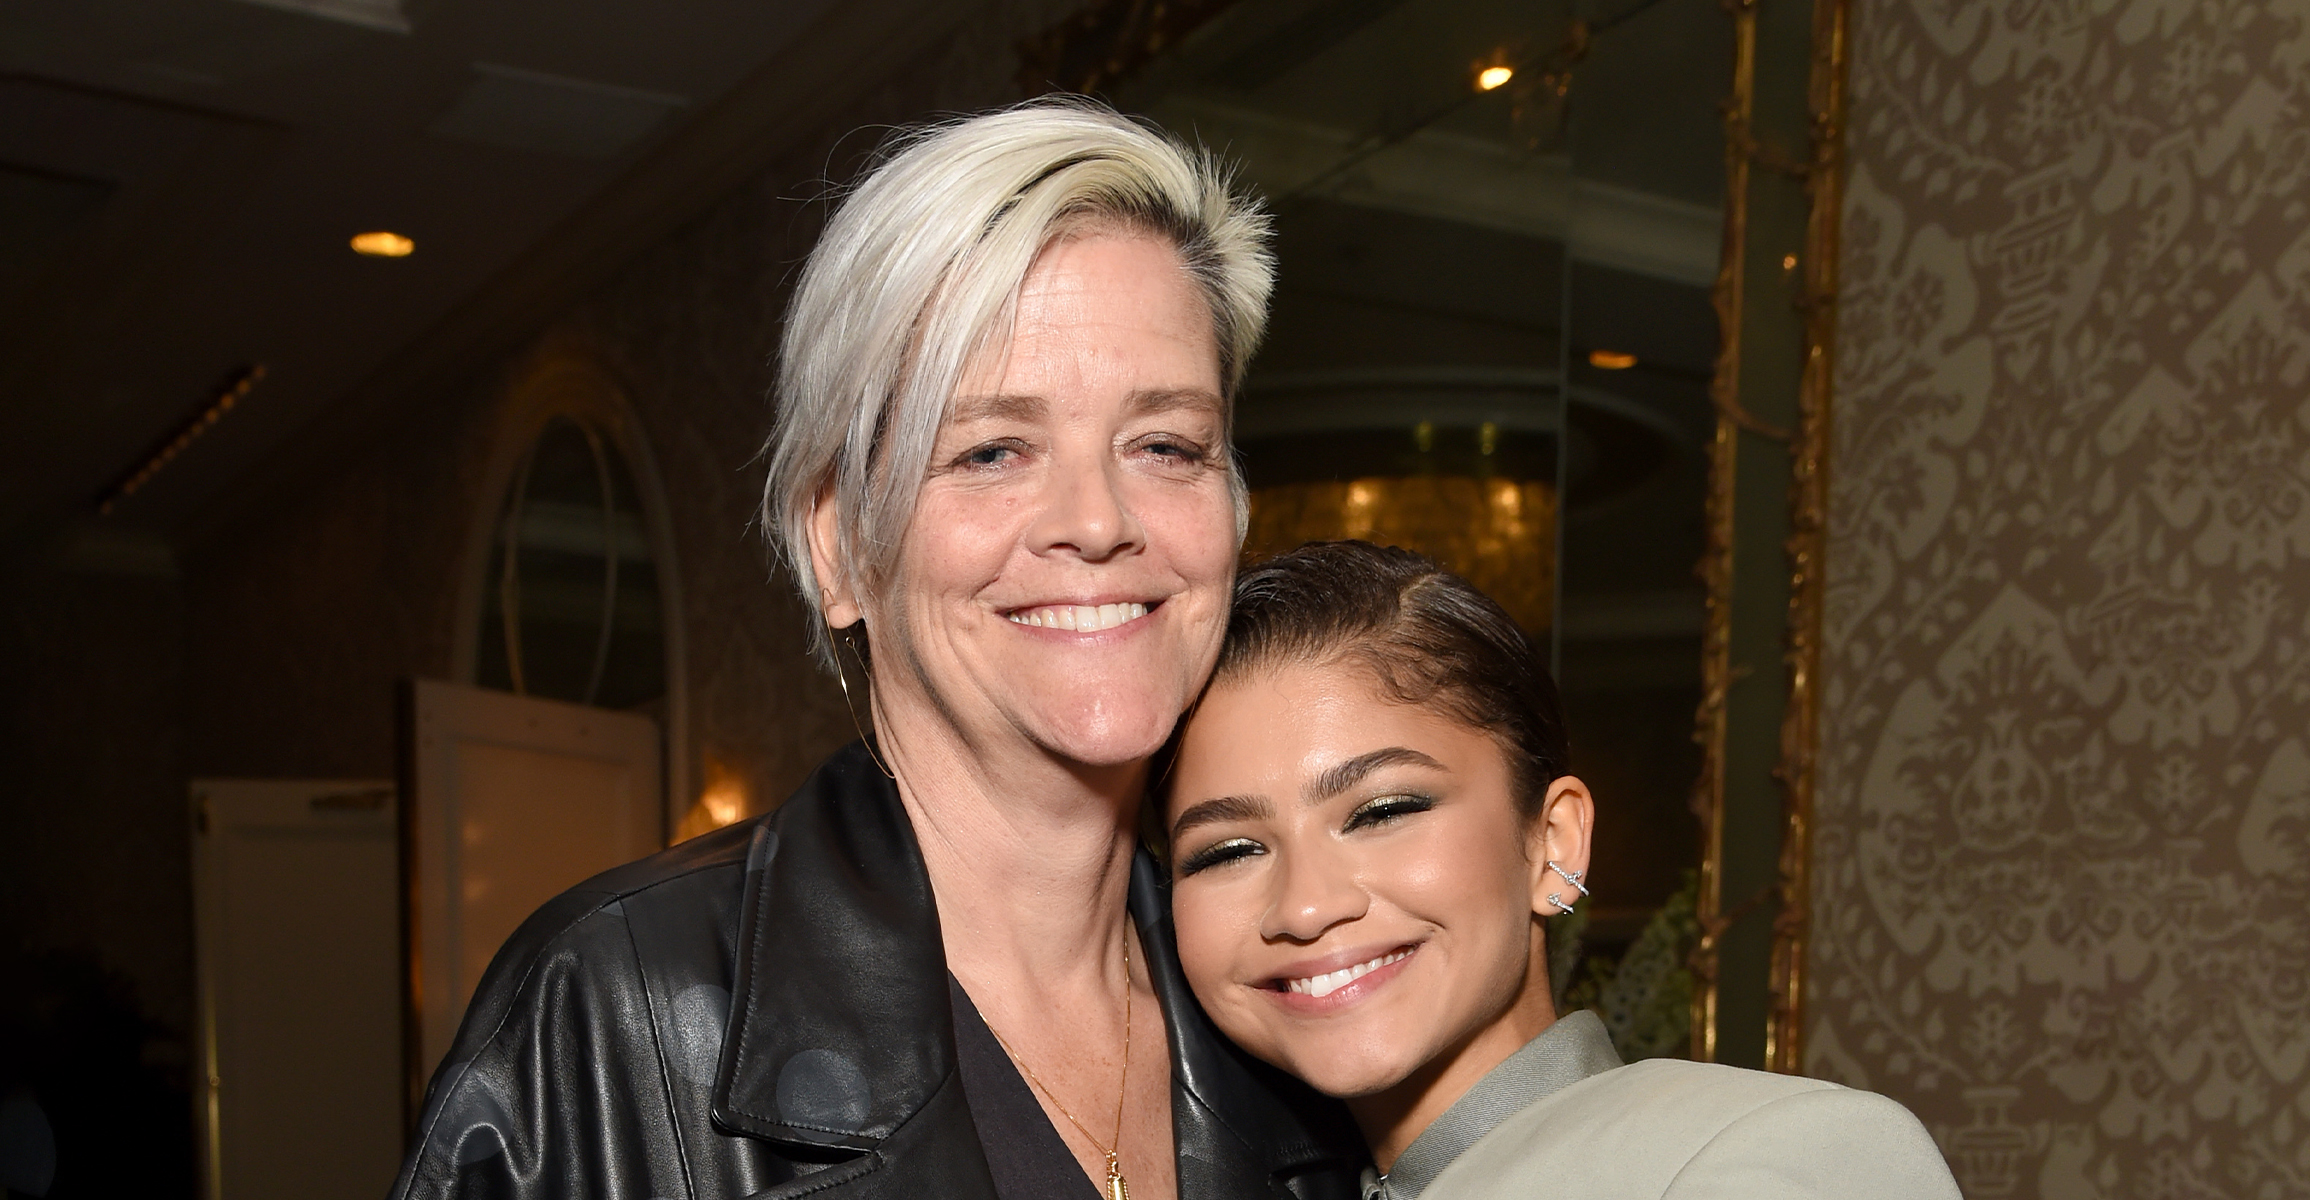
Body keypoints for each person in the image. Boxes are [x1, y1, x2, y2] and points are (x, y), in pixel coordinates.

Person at [390, 99, 1361, 1200]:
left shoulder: (1299, 999)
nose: (1098, 521)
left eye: (1167, 445)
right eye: (992, 450)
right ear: (842, 546)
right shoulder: (615, 1016)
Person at [1161, 541, 1962, 1200]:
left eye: (1383, 811)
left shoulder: (1778, 1155)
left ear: (1554, 842)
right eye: (1228, 851)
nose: (1305, 906)